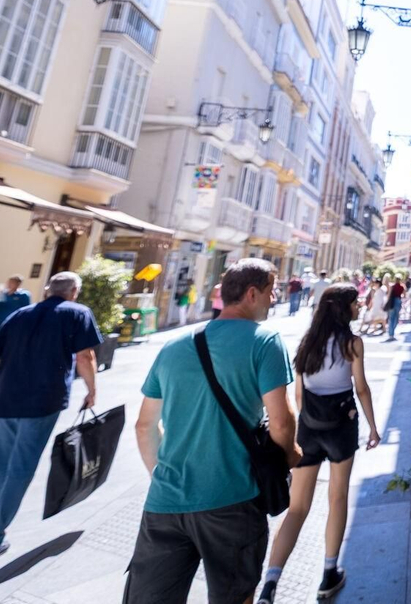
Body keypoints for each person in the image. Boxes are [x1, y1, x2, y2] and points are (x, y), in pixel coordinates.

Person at [126, 258, 299, 603]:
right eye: (271, 291)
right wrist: (288, 458)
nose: (274, 298)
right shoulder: (265, 342)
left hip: (166, 501)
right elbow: (281, 421)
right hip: (233, 499)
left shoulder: (173, 345)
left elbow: (145, 425)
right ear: (252, 293)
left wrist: (161, 475)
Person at [0, 271, 100, 560]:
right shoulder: (79, 313)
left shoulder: (19, 315)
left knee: (3, 462)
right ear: (74, 291)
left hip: (6, 397)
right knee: (22, 465)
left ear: (47, 291)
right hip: (43, 400)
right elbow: (85, 357)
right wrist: (92, 390)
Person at [258, 284, 380, 602]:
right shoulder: (352, 344)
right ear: (343, 308)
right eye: (355, 302)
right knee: (337, 497)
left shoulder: (307, 343)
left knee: (297, 507)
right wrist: (373, 428)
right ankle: (329, 573)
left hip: (309, 427)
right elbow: (362, 388)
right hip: (341, 426)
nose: (360, 306)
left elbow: (298, 395)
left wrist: (304, 429)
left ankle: (270, 584)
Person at [0, 275, 30, 340]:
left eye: (13, 283)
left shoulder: (23, 295)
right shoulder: (1, 294)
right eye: (9, 282)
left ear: (18, 284)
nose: (10, 284)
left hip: (11, 328)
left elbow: (27, 311)